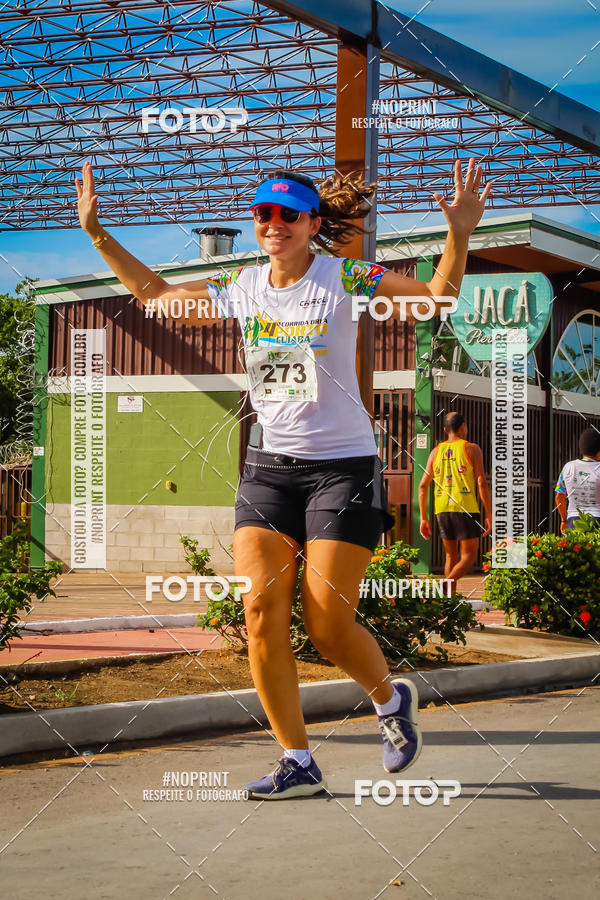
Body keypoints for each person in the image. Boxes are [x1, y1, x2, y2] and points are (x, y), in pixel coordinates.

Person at [75, 158, 491, 799]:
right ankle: (297, 761)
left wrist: (458, 234)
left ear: (312, 224)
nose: (273, 225)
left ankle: (389, 699)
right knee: (261, 612)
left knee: (325, 624)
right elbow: (155, 297)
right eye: (263, 215)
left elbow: (436, 302)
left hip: (342, 468)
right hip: (269, 469)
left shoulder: (347, 275)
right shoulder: (242, 286)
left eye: (288, 215)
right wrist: (97, 232)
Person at [419, 412, 492, 594]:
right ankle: (446, 583)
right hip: (465, 507)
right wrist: (489, 515)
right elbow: (481, 482)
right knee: (469, 557)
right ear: (462, 427)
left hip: (442, 509)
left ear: (445, 429)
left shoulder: (435, 452)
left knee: (451, 556)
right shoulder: (472, 448)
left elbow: (422, 486)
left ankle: (448, 601)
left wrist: (423, 519)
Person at [555, 427, 600, 532]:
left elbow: (559, 496)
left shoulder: (568, 467)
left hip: (573, 521)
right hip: (597, 521)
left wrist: (564, 520)